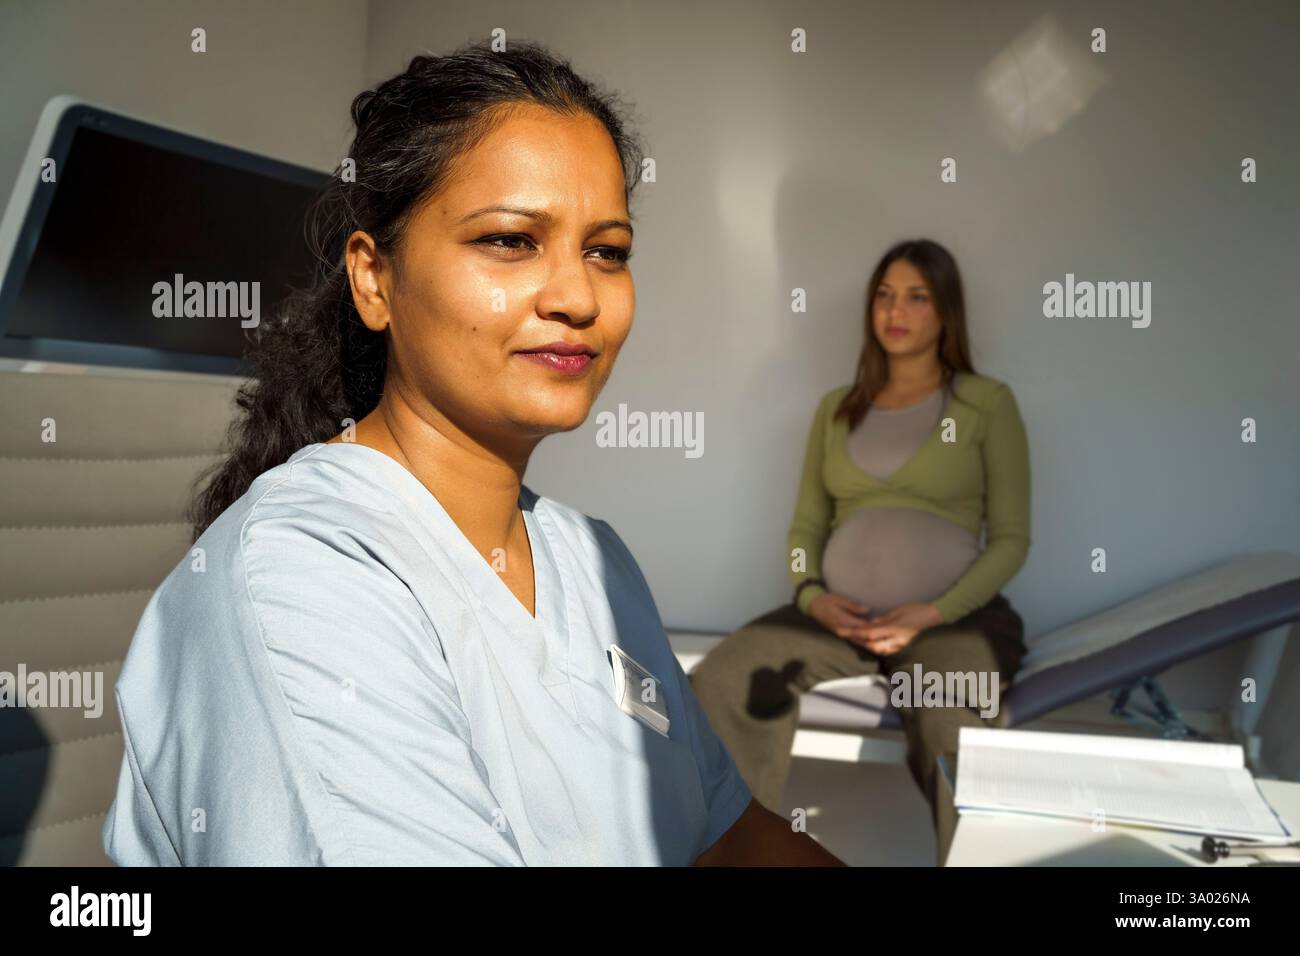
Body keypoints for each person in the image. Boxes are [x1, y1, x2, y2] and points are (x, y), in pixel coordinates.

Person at [101, 40, 842, 867]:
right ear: (375, 279)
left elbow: (731, 840)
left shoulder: (594, 561)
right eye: (509, 241)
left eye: (608, 250)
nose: (576, 296)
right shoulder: (302, 575)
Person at [691, 239, 1031, 834]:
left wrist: (930, 613)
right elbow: (803, 532)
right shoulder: (837, 409)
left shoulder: (986, 404)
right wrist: (810, 595)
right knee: (724, 679)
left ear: (946, 311)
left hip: (951, 621)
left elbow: (1011, 539)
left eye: (916, 297)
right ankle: (737, 854)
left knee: (951, 709)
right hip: (836, 619)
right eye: (884, 296)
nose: (895, 312)